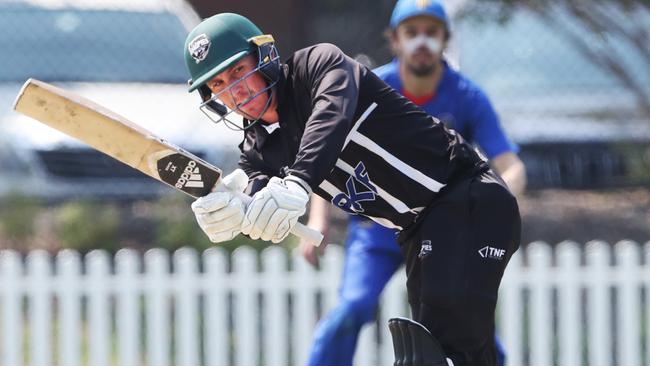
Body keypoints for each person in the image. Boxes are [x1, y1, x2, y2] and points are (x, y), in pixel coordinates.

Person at [185, 11, 521, 366]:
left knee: (442, 349)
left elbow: (330, 118)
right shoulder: (258, 148)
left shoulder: (318, 66)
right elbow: (256, 195)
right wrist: (233, 211)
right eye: (218, 84)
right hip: (418, 228)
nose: (235, 91)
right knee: (443, 351)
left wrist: (297, 180)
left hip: (468, 198)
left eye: (239, 70)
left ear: (264, 55)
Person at [300, 1, 526, 365]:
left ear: (446, 40)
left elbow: (510, 166)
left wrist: (494, 202)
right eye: (411, 32)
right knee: (351, 309)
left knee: (470, 325)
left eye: (432, 32)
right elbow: (323, 149)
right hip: (377, 228)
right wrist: (318, 218)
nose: (422, 41)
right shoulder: (366, 87)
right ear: (394, 40)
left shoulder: (467, 96)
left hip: (447, 231)